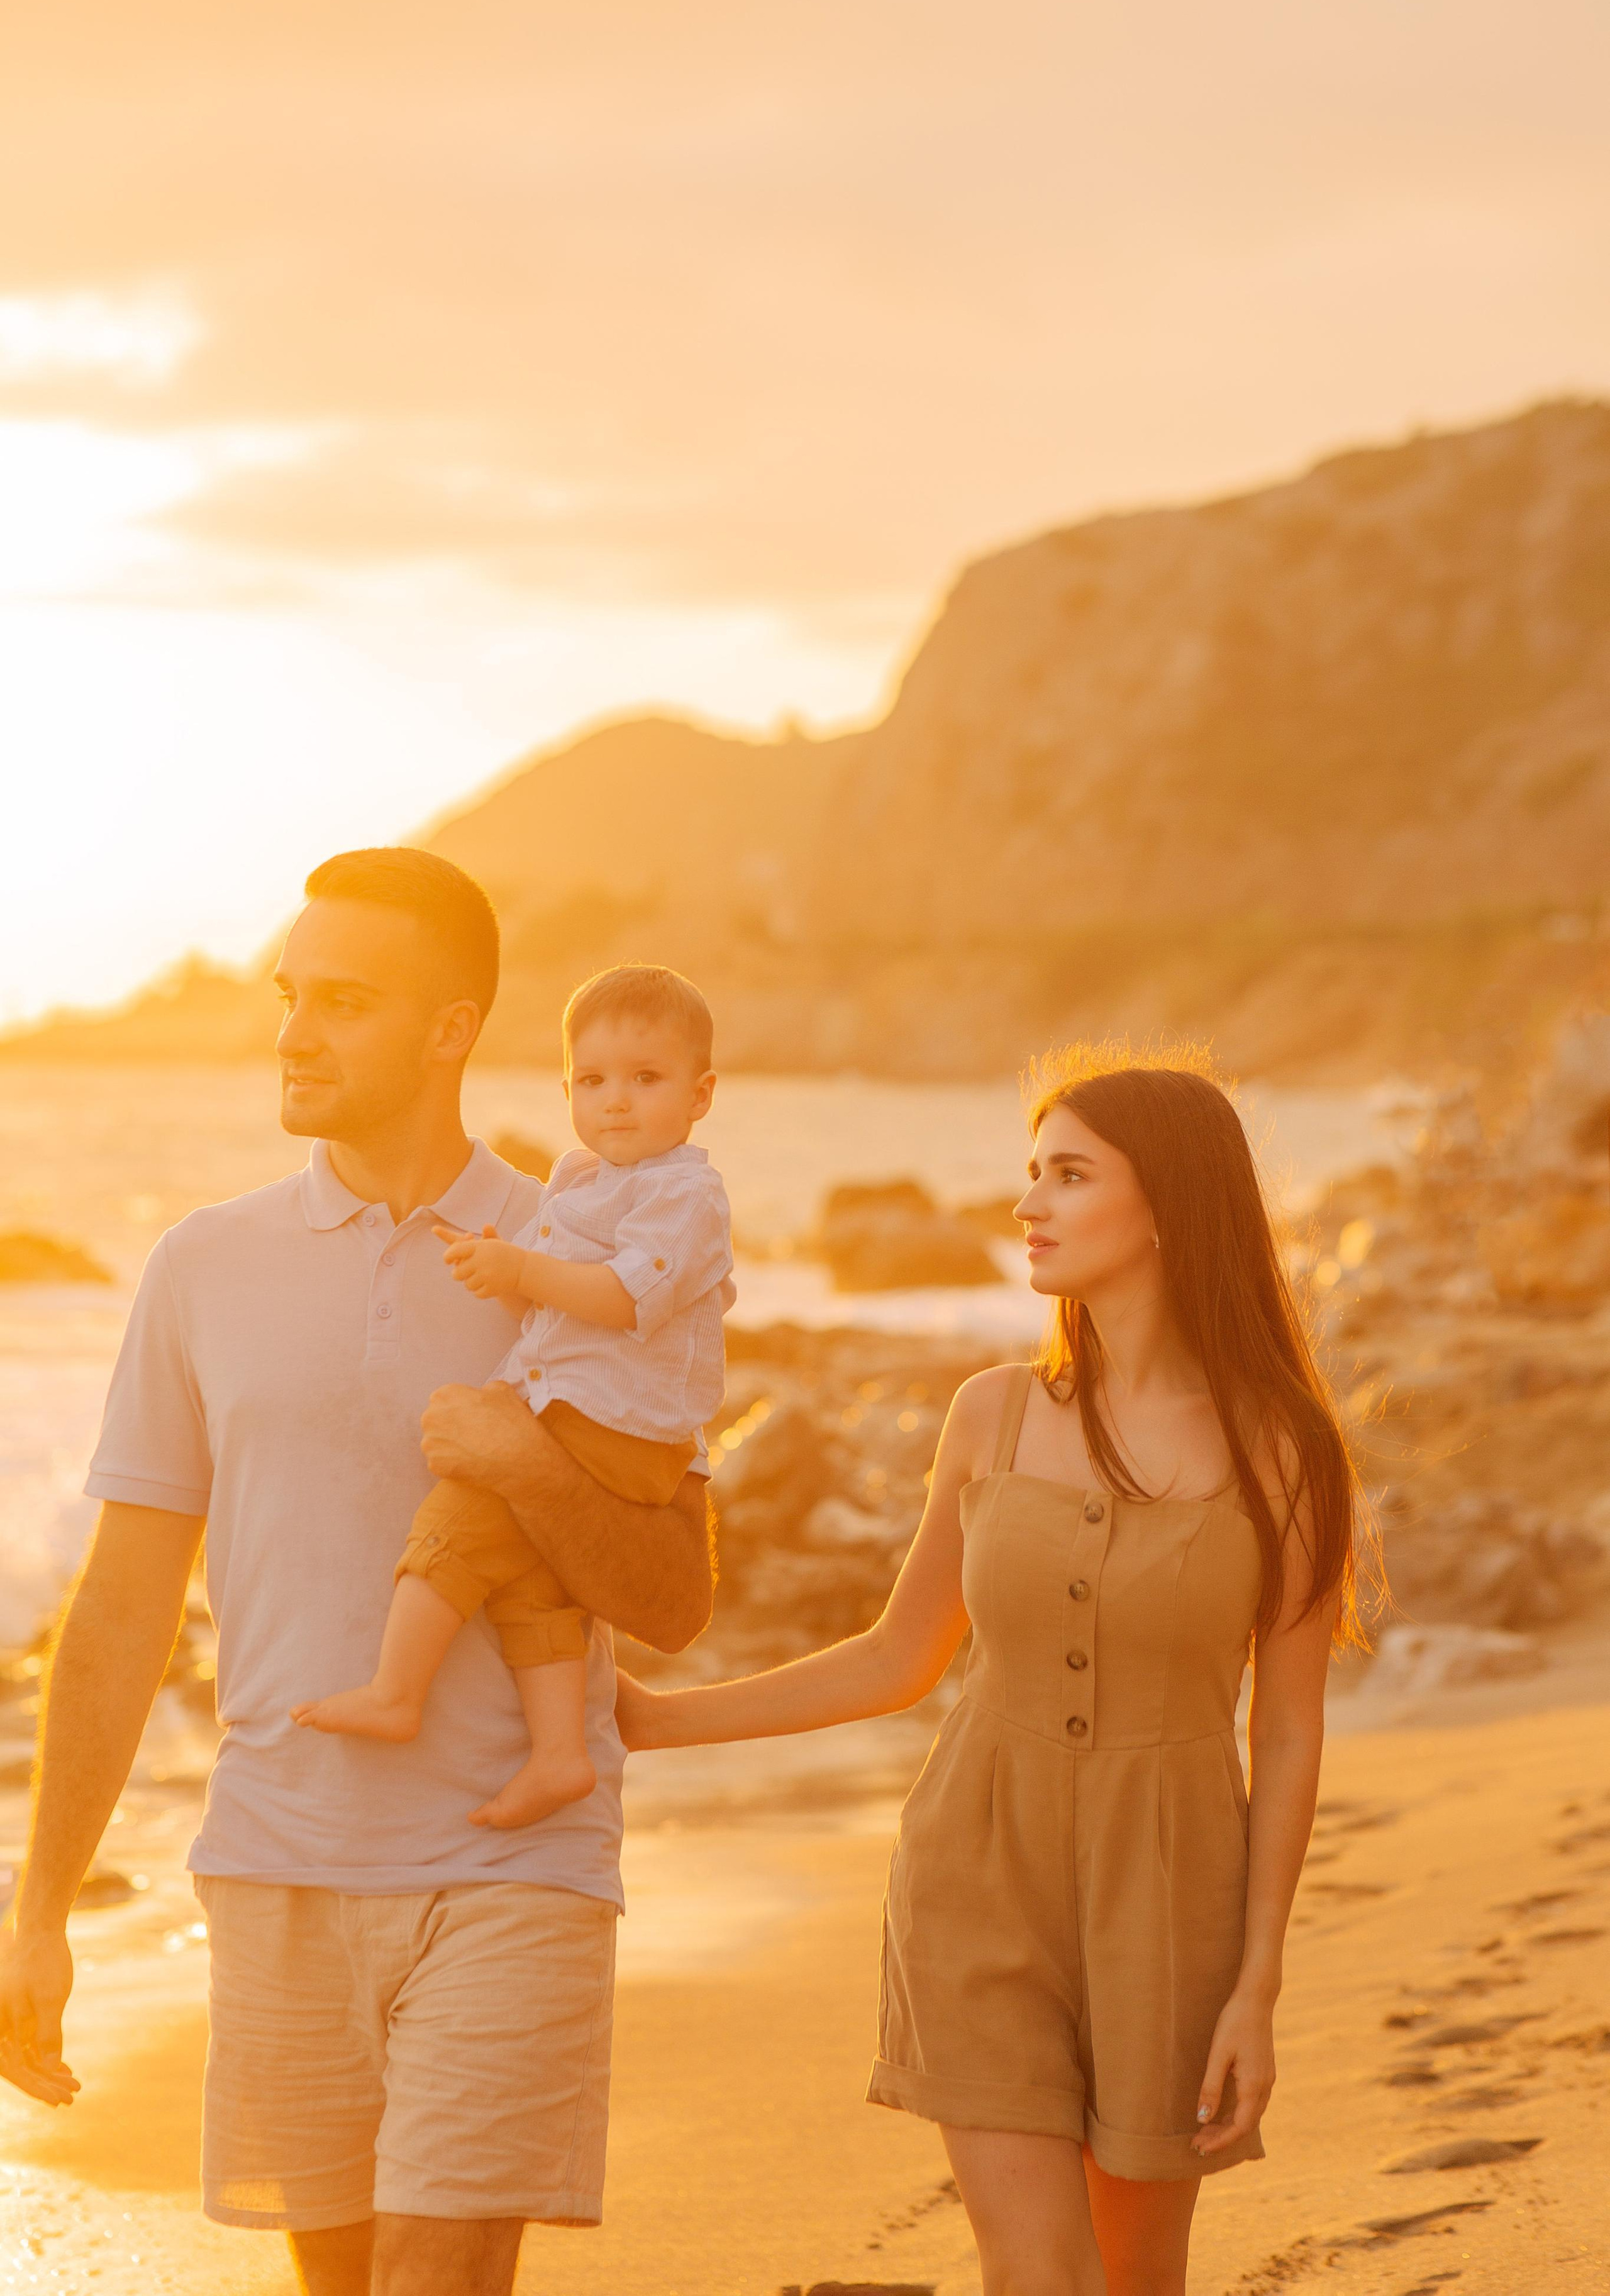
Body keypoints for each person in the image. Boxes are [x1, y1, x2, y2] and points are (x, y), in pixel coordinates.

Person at [0, 849, 714, 2296]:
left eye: (341, 1000)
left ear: (451, 1028)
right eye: (288, 995)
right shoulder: (204, 1266)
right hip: (274, 1861)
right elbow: (124, 1604)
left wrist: (519, 1465)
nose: (294, 1032)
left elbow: (673, 1597)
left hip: (514, 1862)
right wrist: (40, 1910)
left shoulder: (585, 1253)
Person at [616, 1045, 1369, 2296]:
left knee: (1134, 2281)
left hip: (1170, 1896)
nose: (1026, 1204)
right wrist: (649, 1720)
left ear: (1169, 1205)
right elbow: (898, 1656)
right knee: (1036, 2275)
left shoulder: (1282, 1454)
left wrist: (1255, 1988)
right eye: (1029, 1172)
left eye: (1067, 1175)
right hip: (977, 1876)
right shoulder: (991, 1416)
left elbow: (1286, 1734)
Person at [292, 962, 734, 1834]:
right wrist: (500, 1263)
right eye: (593, 1082)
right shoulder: (579, 1177)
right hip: (581, 1413)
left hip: (617, 1426)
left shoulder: (684, 1192)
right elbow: (547, 1289)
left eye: (646, 1080)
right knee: (532, 1583)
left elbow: (621, 1296)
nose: (616, 1102)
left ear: (701, 1094)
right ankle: (561, 1754)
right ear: (567, 1089)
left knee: (457, 1524)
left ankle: (395, 1692)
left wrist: (524, 1269)